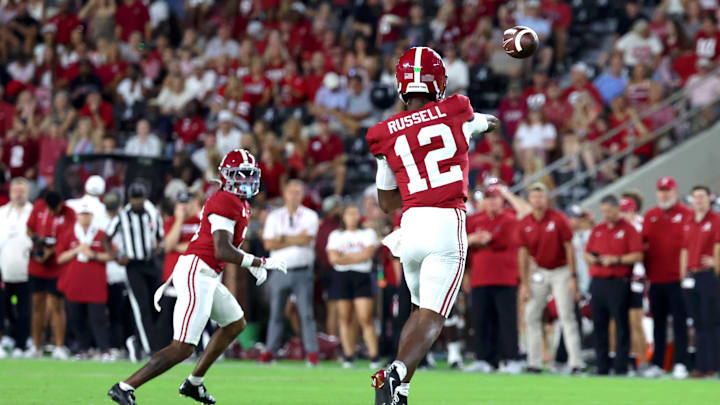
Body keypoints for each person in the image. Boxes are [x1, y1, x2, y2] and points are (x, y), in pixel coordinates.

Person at [366, 47, 498, 405]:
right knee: (435, 317)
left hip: (410, 225)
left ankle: (401, 392)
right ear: (438, 82)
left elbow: (386, 202)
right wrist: (480, 126)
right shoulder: (458, 111)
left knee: (418, 309)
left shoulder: (384, 133)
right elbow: (485, 122)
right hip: (444, 220)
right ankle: (394, 373)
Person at [108, 149, 287, 405]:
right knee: (183, 347)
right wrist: (259, 261)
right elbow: (222, 249)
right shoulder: (225, 200)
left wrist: (250, 265)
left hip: (208, 273)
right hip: (197, 271)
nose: (246, 181)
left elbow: (226, 250)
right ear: (226, 177)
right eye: (240, 175)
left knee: (235, 323)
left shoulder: (240, 204)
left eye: (250, 175)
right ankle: (124, 387)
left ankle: (194, 383)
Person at [519, 182, 584, 374]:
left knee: (566, 314)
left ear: (546, 199)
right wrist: (524, 283)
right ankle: (535, 362)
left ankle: (576, 363)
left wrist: (573, 276)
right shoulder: (526, 223)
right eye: (533, 197)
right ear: (529, 200)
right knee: (531, 314)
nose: (537, 200)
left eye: (540, 196)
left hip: (561, 269)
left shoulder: (559, 218)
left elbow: (569, 248)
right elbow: (522, 254)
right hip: (539, 270)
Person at [258, 180, 320, 365]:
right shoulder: (274, 216)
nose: (294, 195)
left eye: (298, 192)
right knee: (276, 313)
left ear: (302, 195)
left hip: (302, 270)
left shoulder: (310, 215)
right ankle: (270, 351)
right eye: (291, 191)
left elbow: (308, 238)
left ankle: (312, 354)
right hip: (279, 269)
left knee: (306, 313)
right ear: (285, 194)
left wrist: (282, 238)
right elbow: (268, 244)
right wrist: (295, 238)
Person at [464, 184, 523, 374]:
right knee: (481, 320)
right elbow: (463, 243)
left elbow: (506, 240)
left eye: (495, 198)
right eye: (488, 198)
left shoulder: (509, 219)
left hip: (505, 277)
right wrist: (474, 240)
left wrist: (485, 239)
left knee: (507, 321)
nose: (491, 201)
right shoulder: (474, 220)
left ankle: (511, 359)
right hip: (480, 277)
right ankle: (484, 359)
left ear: (502, 200)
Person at [103, 182, 164, 359]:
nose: (138, 202)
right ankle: (149, 349)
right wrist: (116, 258)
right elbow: (106, 238)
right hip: (133, 266)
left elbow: (159, 236)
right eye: (134, 199)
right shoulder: (122, 216)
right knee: (141, 306)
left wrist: (157, 248)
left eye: (140, 199)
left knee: (156, 305)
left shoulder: (152, 212)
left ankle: (137, 341)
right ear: (129, 199)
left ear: (145, 198)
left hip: (151, 263)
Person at [585, 195, 643, 376]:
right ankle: (602, 365)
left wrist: (616, 259)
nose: (606, 214)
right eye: (603, 211)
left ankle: (621, 366)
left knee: (620, 324)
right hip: (598, 282)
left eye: (609, 211)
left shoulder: (629, 229)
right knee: (599, 324)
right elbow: (586, 253)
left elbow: (637, 255)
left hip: (618, 281)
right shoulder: (598, 229)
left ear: (618, 209)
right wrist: (592, 259)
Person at [642, 176, 692, 379]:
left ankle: (681, 363)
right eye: (661, 191)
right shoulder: (651, 215)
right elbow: (643, 244)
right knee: (658, 325)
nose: (664, 194)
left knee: (681, 324)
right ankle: (658, 364)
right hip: (655, 279)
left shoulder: (687, 214)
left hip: (679, 279)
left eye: (668, 190)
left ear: (675, 191)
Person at [56, 198, 114, 359]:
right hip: (74, 284)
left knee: (98, 319)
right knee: (76, 318)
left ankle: (104, 349)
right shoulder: (69, 233)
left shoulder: (101, 234)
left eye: (87, 214)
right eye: (82, 214)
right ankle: (82, 349)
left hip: (95, 284)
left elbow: (112, 255)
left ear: (92, 216)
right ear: (77, 216)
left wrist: (93, 254)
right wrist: (76, 250)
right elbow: (59, 258)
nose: (85, 217)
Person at [326, 204, 380, 369]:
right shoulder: (336, 235)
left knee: (365, 317)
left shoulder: (368, 233)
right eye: (349, 213)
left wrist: (345, 258)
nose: (352, 217)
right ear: (343, 217)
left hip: (361, 275)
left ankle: (374, 356)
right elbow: (333, 258)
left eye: (355, 213)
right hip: (342, 277)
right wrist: (357, 257)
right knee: (345, 317)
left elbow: (368, 254)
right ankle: (348, 355)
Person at [26, 190, 76, 359]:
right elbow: (29, 228)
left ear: (61, 204)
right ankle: (35, 345)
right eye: (51, 209)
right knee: (37, 304)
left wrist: (51, 251)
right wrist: (36, 241)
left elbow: (68, 238)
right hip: (37, 266)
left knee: (57, 305)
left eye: (56, 209)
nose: (53, 212)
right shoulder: (39, 206)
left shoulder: (69, 213)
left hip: (57, 266)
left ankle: (59, 346)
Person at [680, 185, 720, 378]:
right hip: (692, 275)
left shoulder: (716, 220)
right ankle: (702, 365)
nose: (699, 200)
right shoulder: (688, 221)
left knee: (711, 320)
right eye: (695, 197)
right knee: (698, 322)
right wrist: (683, 275)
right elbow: (685, 249)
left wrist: (716, 263)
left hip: (708, 275)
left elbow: (718, 245)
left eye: (702, 197)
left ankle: (714, 365)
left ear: (709, 198)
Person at [0, 178, 33, 356]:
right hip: (4, 269)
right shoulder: (2, 213)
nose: (18, 194)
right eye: (15, 190)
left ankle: (21, 344)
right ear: (10, 192)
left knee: (24, 311)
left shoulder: (34, 212)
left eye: (22, 191)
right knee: (2, 309)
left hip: (26, 270)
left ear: (28, 193)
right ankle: (5, 340)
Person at [618, 195, 649, 373]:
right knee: (619, 321)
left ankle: (642, 361)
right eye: (621, 211)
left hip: (637, 277)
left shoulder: (639, 226)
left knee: (635, 320)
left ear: (633, 211)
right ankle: (626, 359)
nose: (623, 215)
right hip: (620, 278)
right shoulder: (619, 226)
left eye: (626, 211)